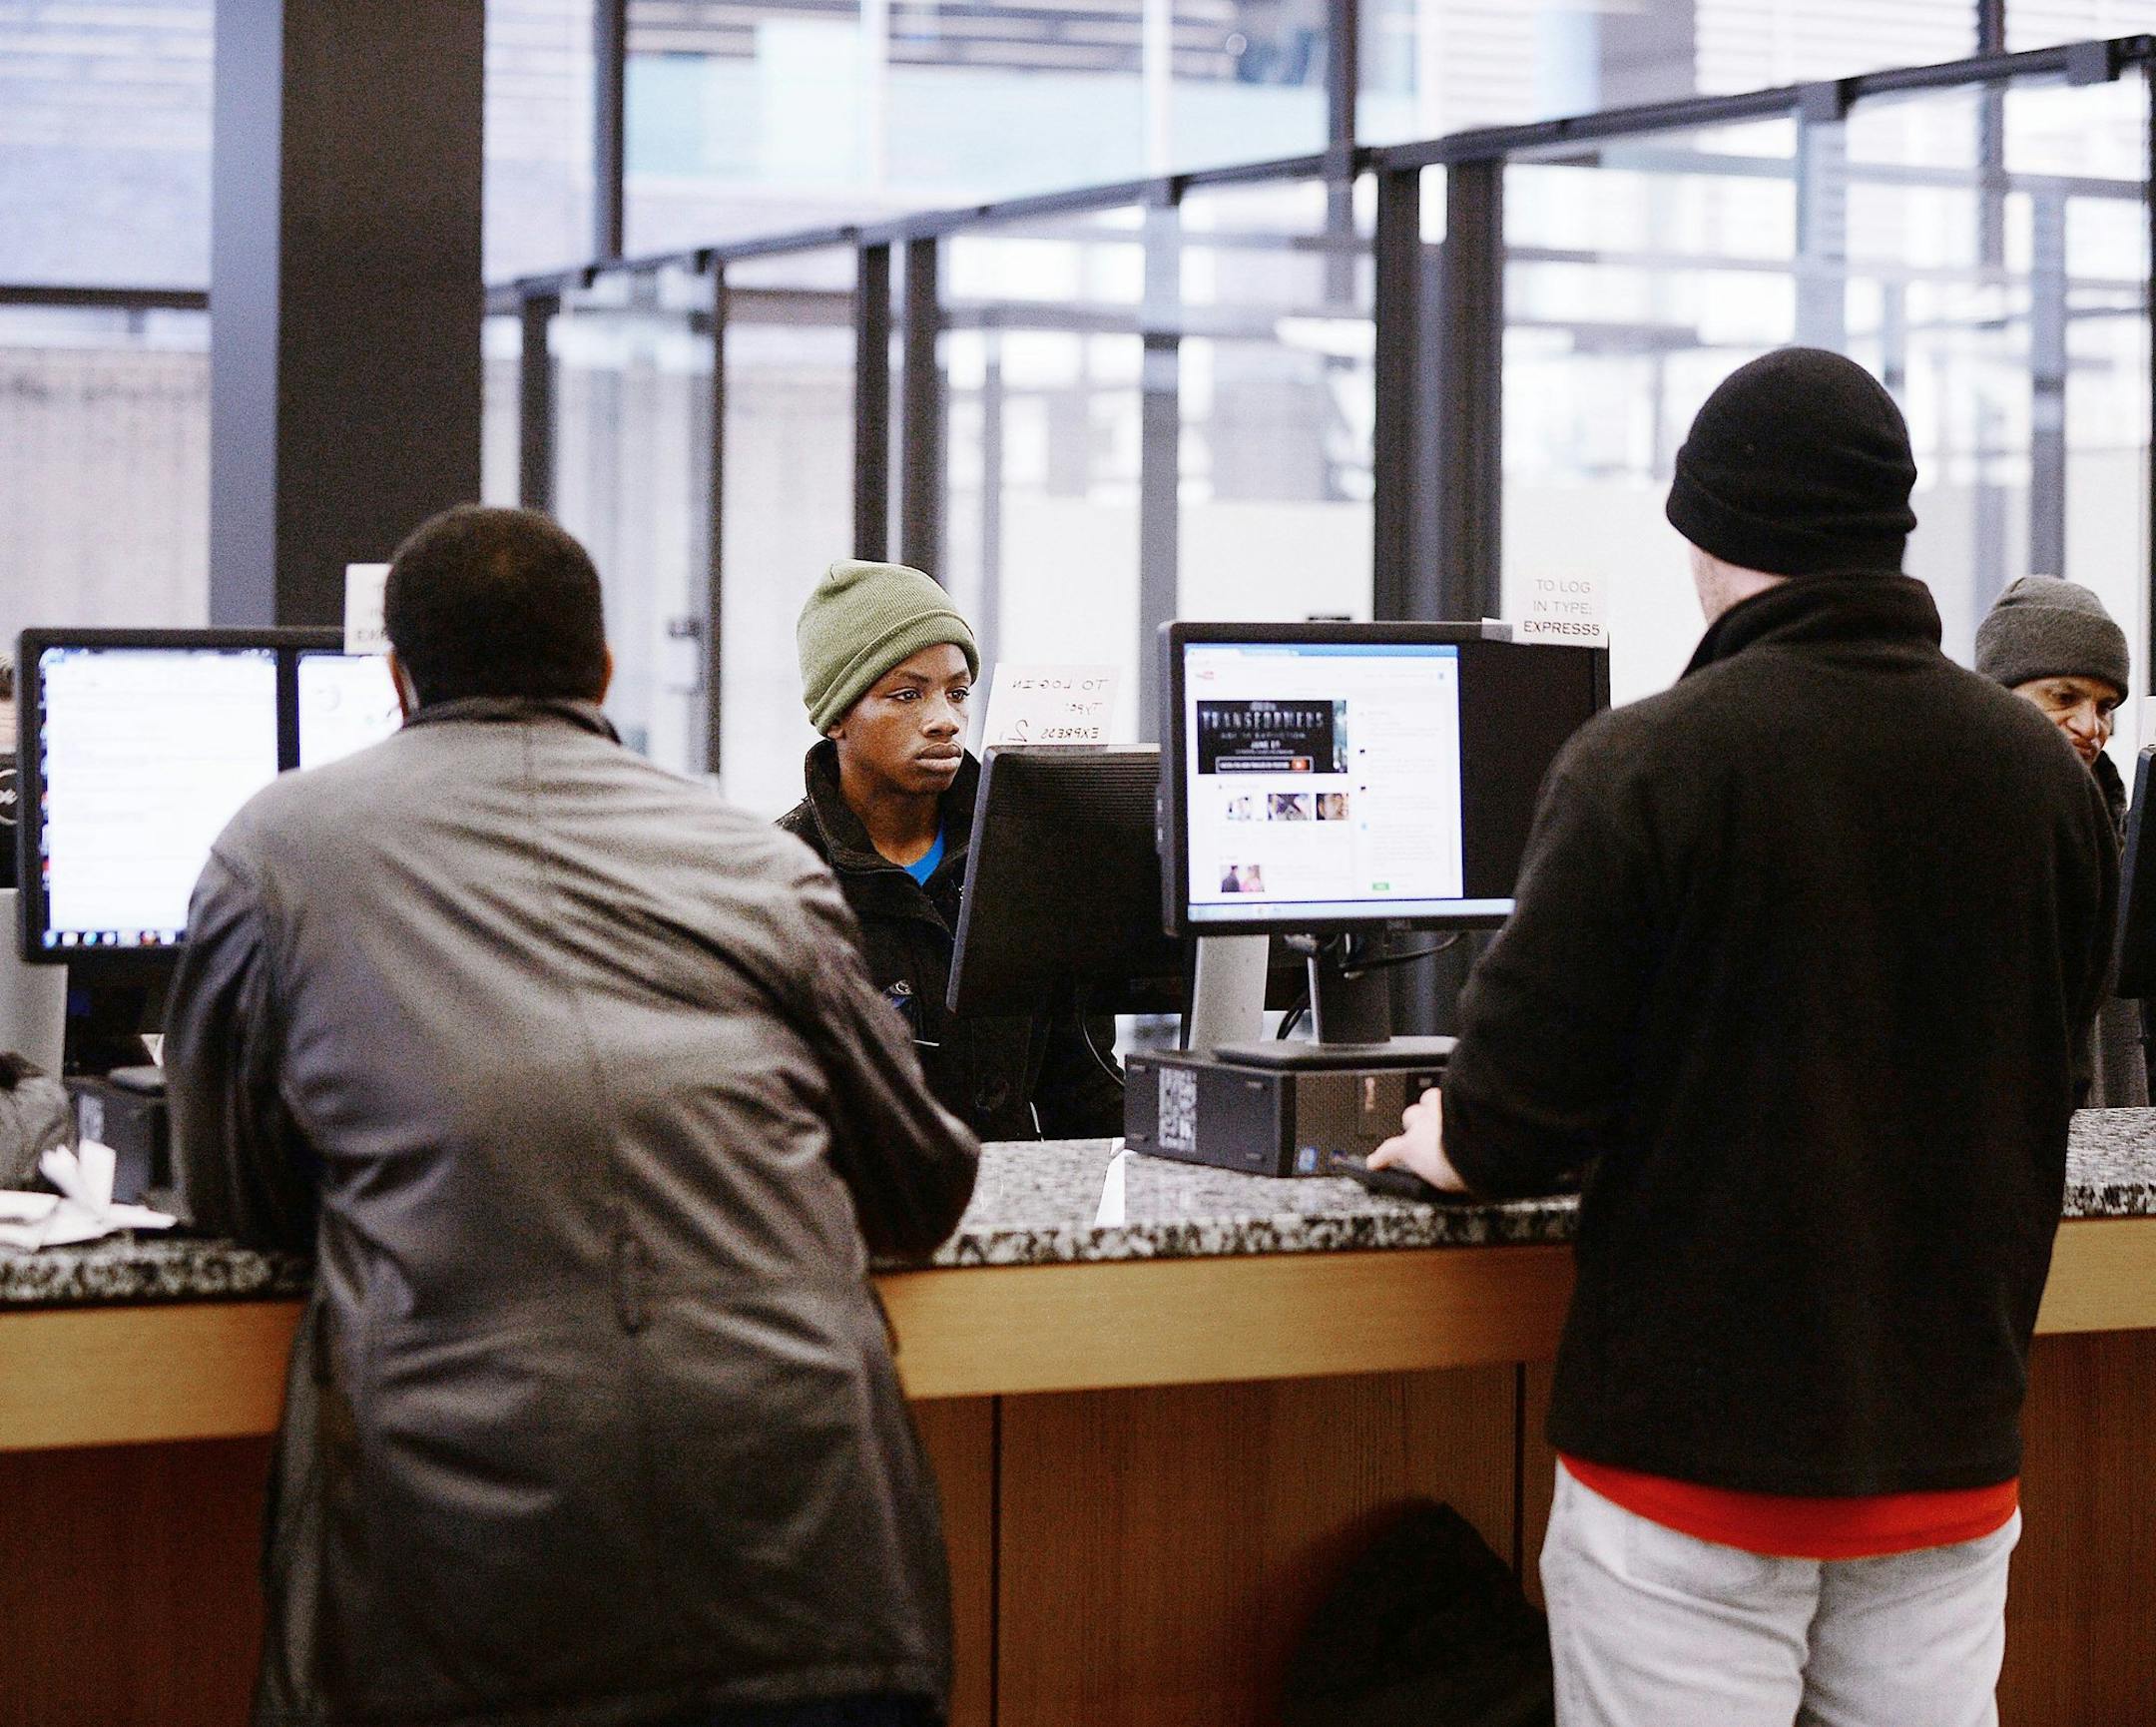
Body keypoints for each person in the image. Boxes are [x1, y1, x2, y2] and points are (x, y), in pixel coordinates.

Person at [1371, 348, 2116, 1727]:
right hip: (1948, 1461)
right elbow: (2047, 1074)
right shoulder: (2048, 782)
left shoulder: (1646, 762)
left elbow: (1512, 1119)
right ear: (1892, 530)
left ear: (1710, 535)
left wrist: (1441, 1137)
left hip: (1692, 1471)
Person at [165, 507, 979, 1727]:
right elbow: (919, 1185)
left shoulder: (275, 848)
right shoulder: (754, 861)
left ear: (398, 678)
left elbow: (230, 1191)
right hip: (811, 1562)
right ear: (603, 671)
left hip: (468, 1586)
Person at [780, 559, 1123, 1142]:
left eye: (958, 692)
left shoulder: (1025, 857)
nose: (945, 721)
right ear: (836, 716)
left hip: (1026, 1210)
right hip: (866, 1219)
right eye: (907, 695)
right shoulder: (783, 878)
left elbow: (1085, 1087)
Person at [1976, 574, 2147, 1106]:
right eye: (2064, 697)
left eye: (2104, 707)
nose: (2089, 726)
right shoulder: (1953, 830)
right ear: (1998, 695)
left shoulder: (2124, 833)